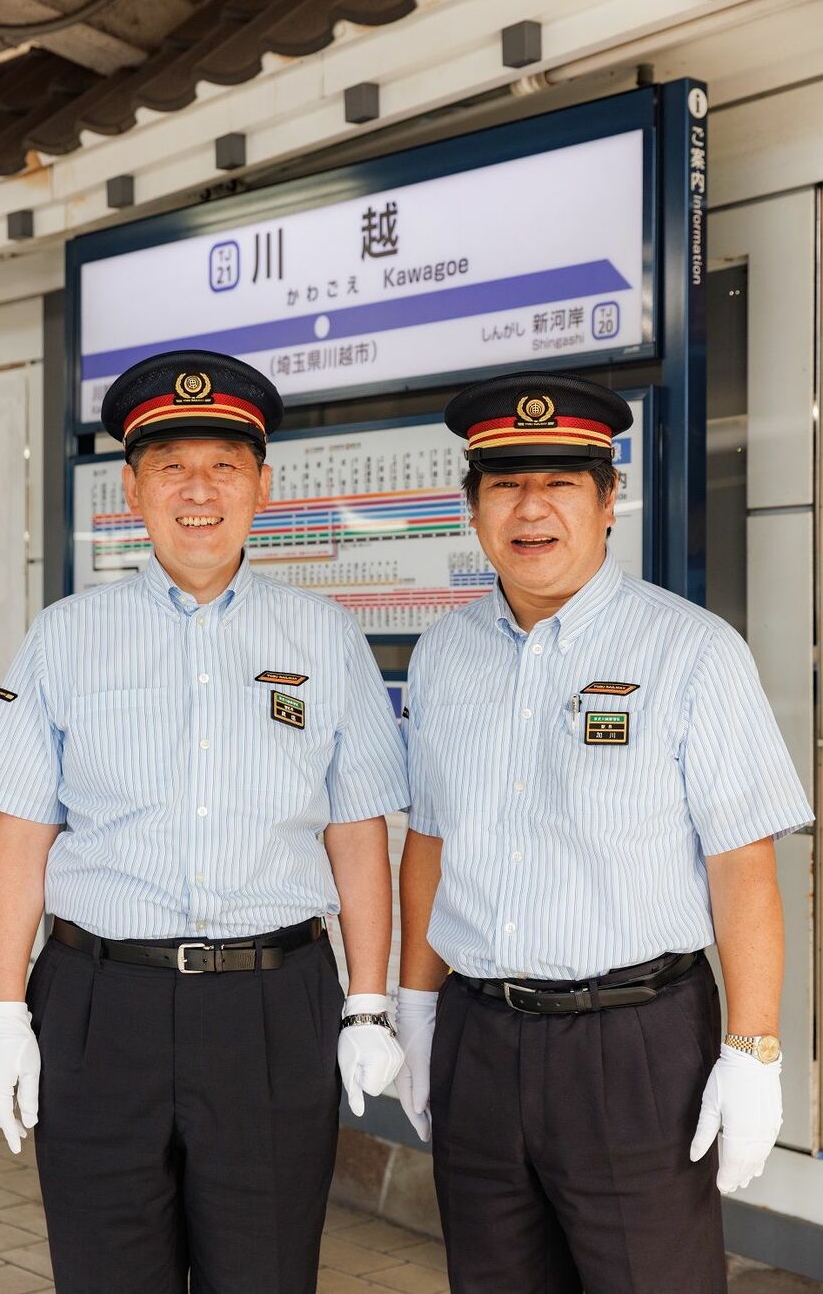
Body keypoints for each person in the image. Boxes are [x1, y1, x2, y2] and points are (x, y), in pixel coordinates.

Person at [0, 350, 408, 1294]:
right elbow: (22, 835)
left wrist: (368, 1001)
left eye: (223, 467)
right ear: (132, 488)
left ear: (262, 485)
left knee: (267, 1274)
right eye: (171, 468)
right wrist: (3, 1012)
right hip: (96, 1002)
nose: (197, 492)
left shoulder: (323, 637)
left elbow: (358, 829)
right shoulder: (65, 635)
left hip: (272, 1007)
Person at [395, 371, 813, 1294]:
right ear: (473, 506)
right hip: (479, 1032)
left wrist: (752, 1051)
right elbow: (429, 840)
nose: (530, 507)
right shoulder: (445, 652)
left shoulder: (693, 651)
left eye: (560, 483)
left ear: (609, 497)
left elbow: (744, 869)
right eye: (505, 483)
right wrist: (416, 1008)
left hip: (635, 1047)